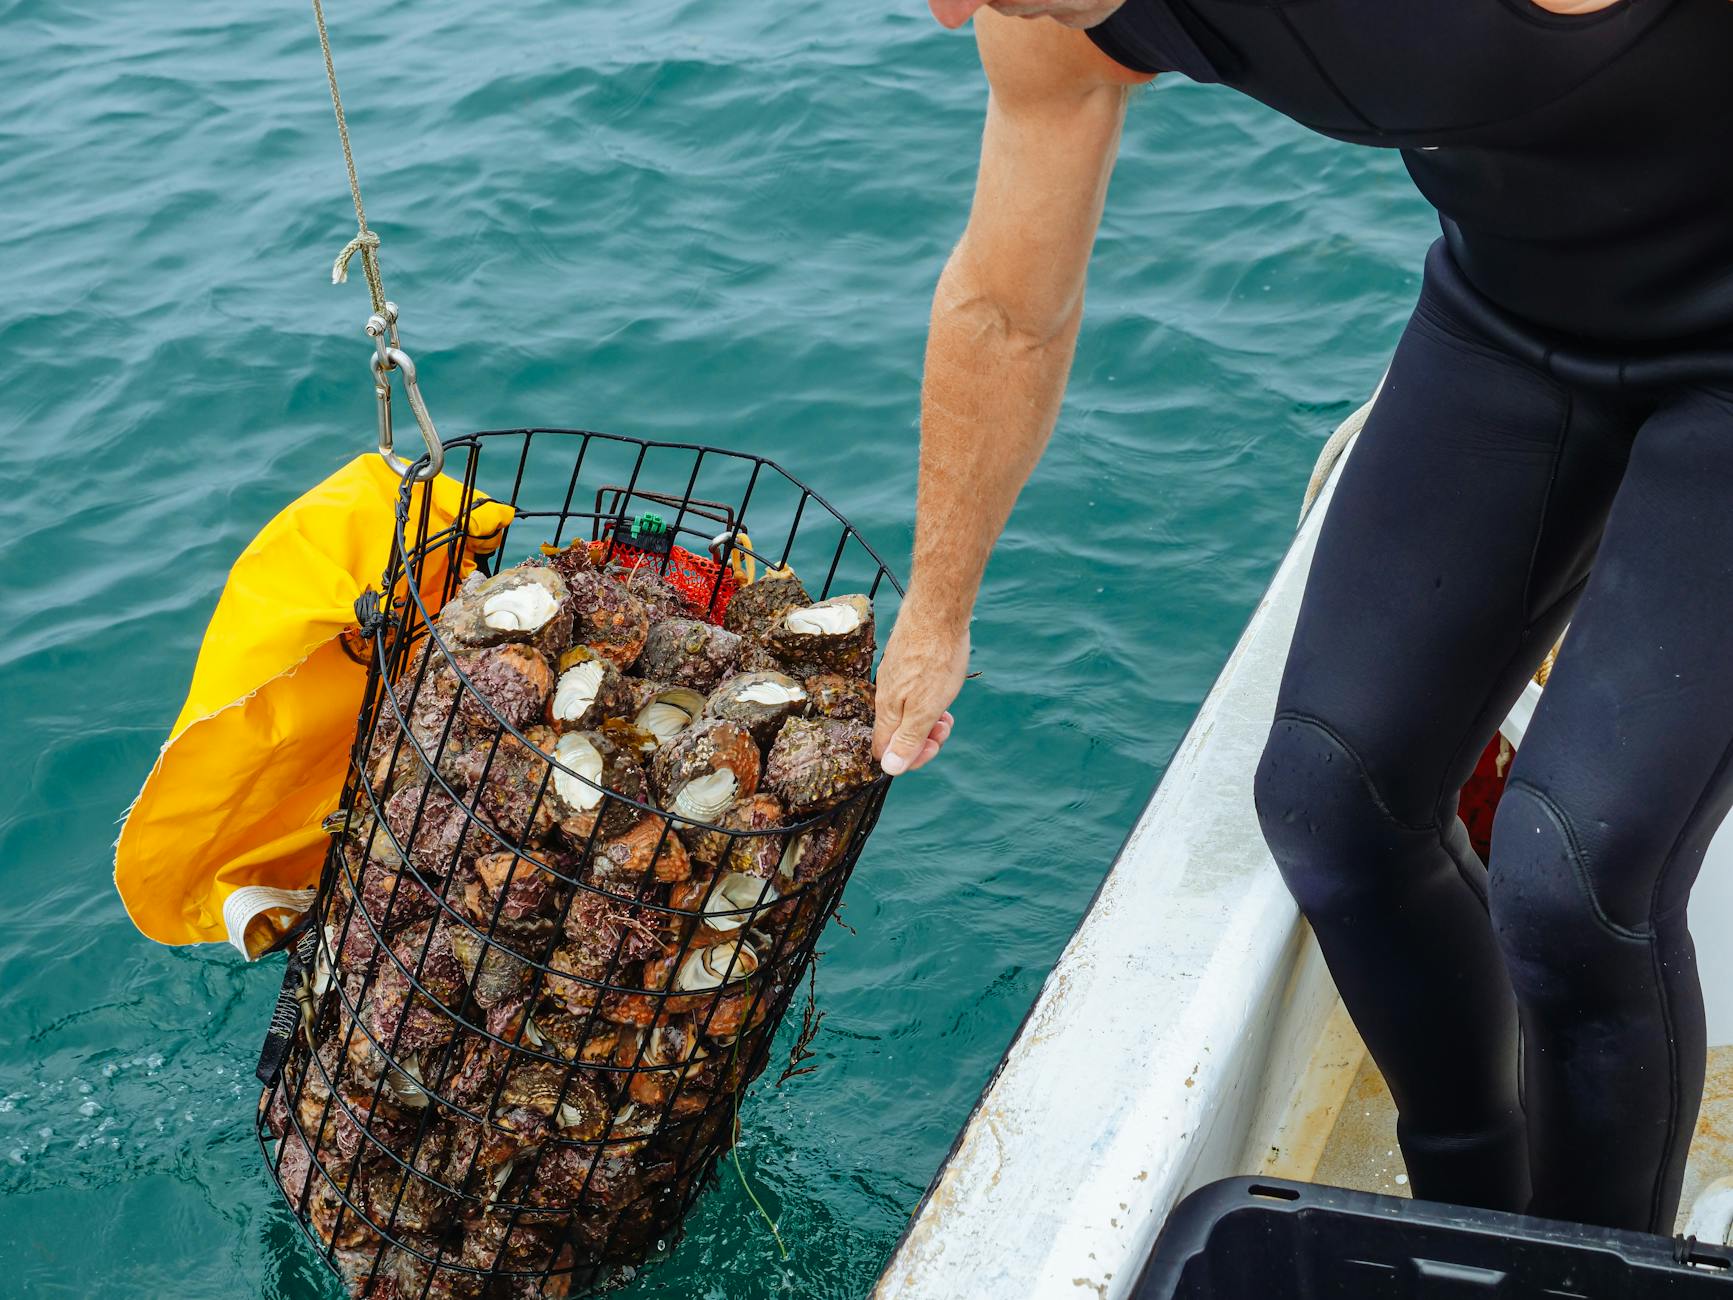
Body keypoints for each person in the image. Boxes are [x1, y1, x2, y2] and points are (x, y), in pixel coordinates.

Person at [871, 0, 1733, 1234]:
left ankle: (1594, 1267)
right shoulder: (1047, 20)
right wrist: (936, 610)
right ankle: (1466, 1231)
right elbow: (1007, 308)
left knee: (1576, 868)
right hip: (1512, 314)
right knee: (1330, 800)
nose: (950, 9)